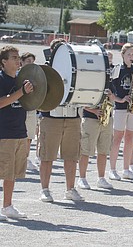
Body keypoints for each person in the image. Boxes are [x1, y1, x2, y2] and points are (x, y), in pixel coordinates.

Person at [39, 38, 84, 202]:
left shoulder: (76, 68)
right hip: (51, 116)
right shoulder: (44, 70)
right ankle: (45, 189)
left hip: (72, 116)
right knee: (47, 155)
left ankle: (70, 189)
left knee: (72, 156)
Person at [0, 46, 33, 220]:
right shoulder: (1, 79)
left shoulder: (22, 79)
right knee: (1, 170)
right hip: (3, 132)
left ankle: (7, 206)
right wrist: (21, 92)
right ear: (4, 62)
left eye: (18, 57)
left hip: (19, 131)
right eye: (13, 57)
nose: (17, 60)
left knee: (11, 173)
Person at [108, 43, 133, 181]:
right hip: (121, 107)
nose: (131, 57)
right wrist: (120, 99)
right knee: (118, 137)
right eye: (128, 54)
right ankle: (112, 169)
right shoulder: (117, 70)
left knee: (130, 138)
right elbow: (110, 91)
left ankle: (126, 168)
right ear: (122, 55)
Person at [77, 93, 114, 190]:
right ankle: (82, 178)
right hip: (90, 118)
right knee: (85, 150)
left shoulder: (110, 81)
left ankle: (101, 178)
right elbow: (80, 101)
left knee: (103, 150)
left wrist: (112, 96)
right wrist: (94, 111)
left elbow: (114, 98)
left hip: (107, 118)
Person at [20, 52, 38, 171]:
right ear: (21, 63)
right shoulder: (17, 75)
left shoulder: (37, 77)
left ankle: (25, 159)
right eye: (28, 61)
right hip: (19, 111)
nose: (30, 64)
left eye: (32, 61)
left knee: (29, 137)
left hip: (31, 110)